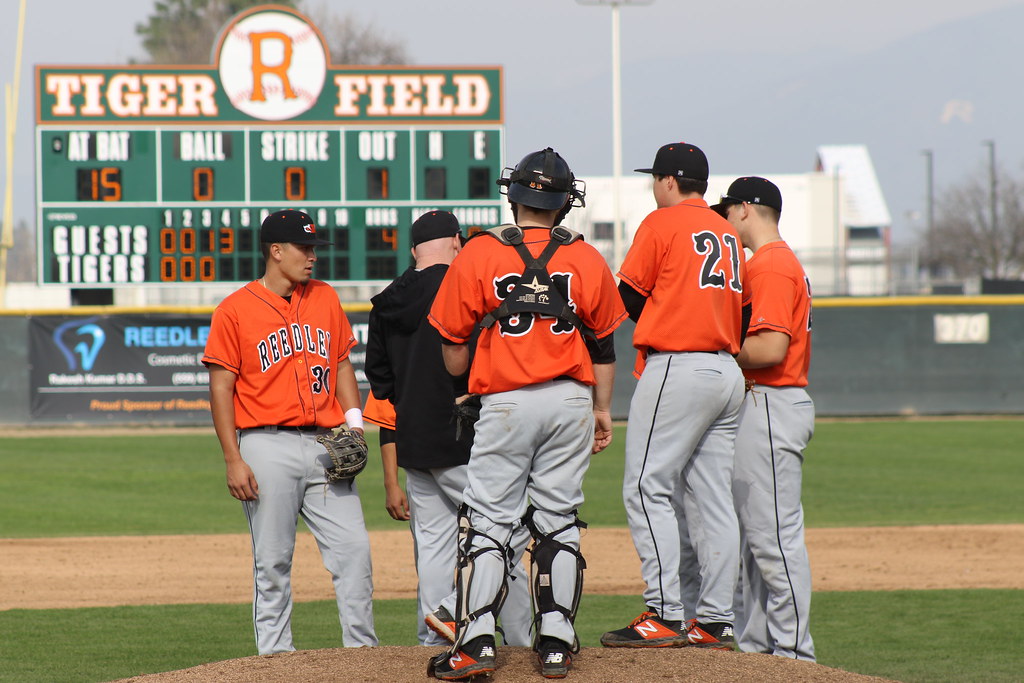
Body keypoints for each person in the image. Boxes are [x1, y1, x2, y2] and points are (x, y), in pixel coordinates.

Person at [426, 148, 627, 679]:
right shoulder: (586, 257)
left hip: (507, 400)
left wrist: (463, 384)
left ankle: (475, 643)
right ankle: (557, 642)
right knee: (558, 519)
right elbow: (604, 347)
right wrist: (602, 410)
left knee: (489, 522)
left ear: (512, 195)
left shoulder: (478, 253)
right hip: (570, 400)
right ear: (565, 203)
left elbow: (450, 343)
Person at [202, 209, 377, 655]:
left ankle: (363, 656)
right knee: (273, 562)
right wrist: (232, 458)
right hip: (265, 444)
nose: (313, 256)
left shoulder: (324, 297)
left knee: (354, 550)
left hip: (325, 445)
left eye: (315, 248)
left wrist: (355, 427)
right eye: (305, 248)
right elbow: (220, 388)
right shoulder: (235, 310)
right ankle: (275, 660)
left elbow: (341, 364)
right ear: (276, 252)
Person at [601, 142, 746, 650]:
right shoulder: (728, 230)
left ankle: (663, 612)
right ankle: (716, 618)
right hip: (728, 372)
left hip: (678, 366)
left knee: (646, 486)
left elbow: (627, 298)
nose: (652, 186)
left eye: (655, 177)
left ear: (667, 181)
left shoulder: (661, 223)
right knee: (712, 500)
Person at [364, 210, 532, 648]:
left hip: (414, 442)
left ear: (415, 250)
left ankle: (434, 640)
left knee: (435, 547)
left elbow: (380, 382)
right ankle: (509, 635)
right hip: (467, 438)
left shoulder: (385, 300)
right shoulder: (465, 286)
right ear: (457, 243)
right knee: (506, 531)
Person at [712, 176, 816, 661]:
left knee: (773, 538)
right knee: (754, 543)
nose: (724, 219)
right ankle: (758, 654)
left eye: (728, 210)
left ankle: (796, 656)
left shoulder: (772, 265)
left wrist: (716, 349)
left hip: (772, 404)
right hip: (763, 405)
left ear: (747, 211)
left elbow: (771, 349)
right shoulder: (767, 263)